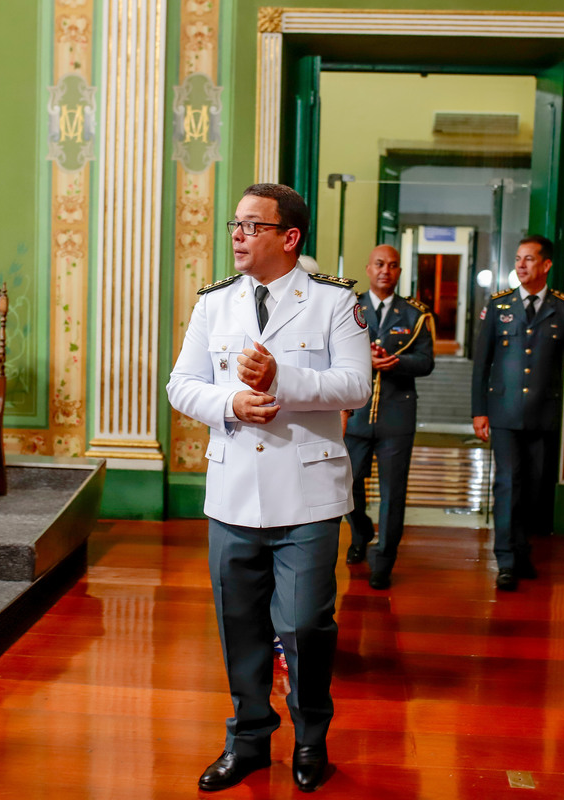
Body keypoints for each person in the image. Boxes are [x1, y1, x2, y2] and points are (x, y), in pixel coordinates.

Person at [167, 183, 372, 792]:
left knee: (306, 625)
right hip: (233, 493)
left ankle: (311, 741)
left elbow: (355, 385)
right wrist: (231, 400)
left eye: (252, 225)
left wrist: (284, 380)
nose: (237, 234)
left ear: (289, 237)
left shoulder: (333, 302)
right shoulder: (214, 304)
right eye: (235, 223)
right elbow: (182, 386)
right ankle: (249, 740)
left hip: (307, 497)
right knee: (240, 626)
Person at [471, 235, 564, 592]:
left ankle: (522, 551)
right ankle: (506, 560)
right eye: (518, 259)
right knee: (507, 485)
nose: (521, 265)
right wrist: (479, 411)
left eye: (529, 259)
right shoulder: (498, 306)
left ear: (546, 265)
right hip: (504, 412)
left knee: (533, 488)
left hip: (543, 415)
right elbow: (482, 364)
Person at [342, 244, 434, 590]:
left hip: (397, 415)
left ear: (399, 272)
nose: (386, 270)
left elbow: (426, 362)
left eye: (393, 266)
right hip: (355, 412)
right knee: (348, 483)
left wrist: (395, 362)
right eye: (379, 264)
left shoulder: (415, 314)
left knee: (393, 493)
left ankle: (384, 560)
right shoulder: (349, 306)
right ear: (368, 268)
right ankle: (360, 532)